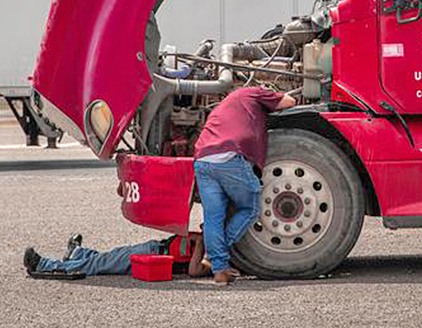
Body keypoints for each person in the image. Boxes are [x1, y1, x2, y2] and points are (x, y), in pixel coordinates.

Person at [193, 87, 296, 286]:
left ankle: (219, 269)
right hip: (230, 156)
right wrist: (276, 95)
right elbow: (289, 102)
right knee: (250, 208)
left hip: (203, 159)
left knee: (213, 217)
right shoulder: (254, 92)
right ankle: (215, 257)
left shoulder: (227, 104)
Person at [24, 232, 204, 277]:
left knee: (100, 264)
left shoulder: (219, 256)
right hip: (156, 248)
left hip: (155, 260)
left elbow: (194, 270)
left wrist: (202, 240)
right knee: (110, 257)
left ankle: (46, 265)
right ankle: (79, 253)